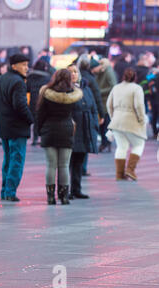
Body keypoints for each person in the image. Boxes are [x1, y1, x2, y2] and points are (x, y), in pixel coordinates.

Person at [37, 69, 83, 205]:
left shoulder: (46, 93)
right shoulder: (73, 95)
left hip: (49, 130)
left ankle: (50, 197)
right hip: (66, 130)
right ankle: (64, 197)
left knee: (51, 165)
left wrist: (40, 131)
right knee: (64, 165)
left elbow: (40, 114)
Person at [0, 54, 34, 202]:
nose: (26, 68)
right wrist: (31, 120)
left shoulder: (1, 79)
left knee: (8, 159)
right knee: (16, 159)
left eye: (27, 64)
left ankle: (5, 190)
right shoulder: (18, 82)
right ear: (14, 66)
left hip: (4, 127)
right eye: (23, 64)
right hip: (17, 128)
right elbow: (20, 106)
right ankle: (10, 191)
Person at [107, 68, 147, 181]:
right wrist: (142, 119)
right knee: (139, 144)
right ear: (135, 77)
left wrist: (113, 117)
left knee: (121, 147)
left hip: (116, 121)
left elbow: (108, 104)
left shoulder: (116, 87)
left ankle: (119, 175)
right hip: (131, 120)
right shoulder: (137, 88)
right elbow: (139, 105)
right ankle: (130, 169)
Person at [67, 64, 99, 198]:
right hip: (72, 129)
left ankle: (76, 189)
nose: (73, 74)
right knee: (68, 162)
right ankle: (65, 190)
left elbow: (93, 107)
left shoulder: (86, 89)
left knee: (79, 160)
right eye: (70, 72)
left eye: (75, 71)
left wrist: (95, 124)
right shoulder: (65, 89)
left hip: (85, 128)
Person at [93, 58, 117, 152]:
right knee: (103, 124)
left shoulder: (108, 71)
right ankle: (106, 142)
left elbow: (113, 86)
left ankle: (106, 142)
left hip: (106, 101)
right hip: (101, 101)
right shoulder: (101, 71)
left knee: (105, 123)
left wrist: (99, 92)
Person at [26, 59, 51, 146]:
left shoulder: (30, 76)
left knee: (36, 120)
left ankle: (35, 138)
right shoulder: (47, 77)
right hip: (44, 100)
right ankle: (43, 138)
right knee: (43, 119)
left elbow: (27, 88)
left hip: (33, 101)